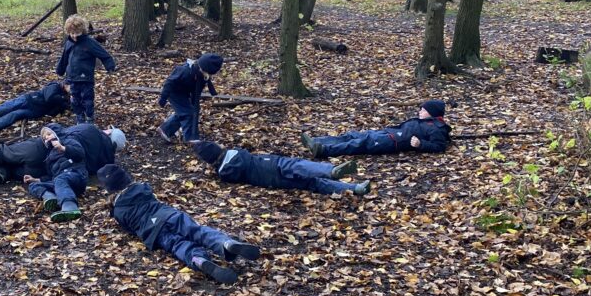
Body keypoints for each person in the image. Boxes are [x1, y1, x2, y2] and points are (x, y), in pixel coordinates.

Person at [96, 165, 259, 284]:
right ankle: (225, 243)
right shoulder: (143, 188)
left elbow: (129, 230)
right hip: (168, 215)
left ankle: (198, 260)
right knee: (197, 231)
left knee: (177, 244)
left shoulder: (118, 211)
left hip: (153, 232)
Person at [192, 141, 371, 196]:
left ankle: (355, 188)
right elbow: (244, 152)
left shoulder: (225, 174)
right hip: (272, 163)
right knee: (300, 166)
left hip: (272, 181)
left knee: (314, 184)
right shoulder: (236, 152)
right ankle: (330, 171)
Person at [301, 100, 451, 158]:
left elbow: (439, 147)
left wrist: (420, 145)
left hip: (392, 142)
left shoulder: (437, 128)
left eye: (423, 110)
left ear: (432, 112)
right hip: (388, 133)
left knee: (360, 143)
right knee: (354, 136)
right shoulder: (426, 121)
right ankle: (317, 141)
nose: (420, 112)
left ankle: (323, 150)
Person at [56, 14, 116, 124]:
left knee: (87, 99)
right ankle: (79, 117)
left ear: (82, 31)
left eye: (77, 33)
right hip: (72, 78)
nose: (74, 36)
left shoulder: (89, 42)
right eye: (72, 33)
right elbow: (64, 58)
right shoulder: (69, 43)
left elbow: (104, 54)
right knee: (74, 100)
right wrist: (60, 70)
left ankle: (89, 117)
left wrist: (110, 66)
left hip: (86, 77)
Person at [25, 126, 87, 222]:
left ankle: (70, 207)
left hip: (75, 175)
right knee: (33, 185)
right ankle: (51, 198)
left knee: (60, 179)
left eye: (49, 134)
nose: (47, 138)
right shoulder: (49, 155)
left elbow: (80, 154)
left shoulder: (68, 141)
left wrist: (63, 148)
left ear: (57, 132)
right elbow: (52, 176)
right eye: (45, 138)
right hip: (59, 184)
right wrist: (35, 179)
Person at [157, 53, 224, 143]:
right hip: (174, 92)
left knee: (188, 111)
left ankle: (165, 129)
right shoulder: (184, 71)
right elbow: (169, 83)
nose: (209, 76)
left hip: (184, 93)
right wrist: (163, 98)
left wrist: (194, 104)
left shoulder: (202, 76)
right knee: (188, 113)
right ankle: (191, 140)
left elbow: (197, 91)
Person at [0, 81, 70, 132]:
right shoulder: (55, 86)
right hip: (29, 100)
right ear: (65, 84)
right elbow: (49, 97)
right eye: (70, 86)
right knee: (9, 107)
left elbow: (52, 112)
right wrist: (63, 99)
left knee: (15, 114)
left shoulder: (64, 99)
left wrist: (64, 104)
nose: (71, 89)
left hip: (36, 111)